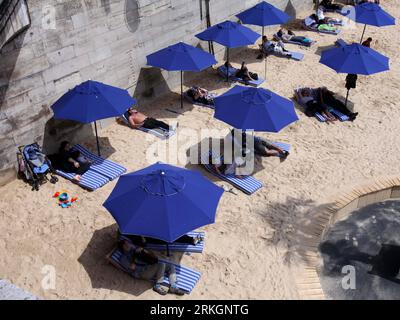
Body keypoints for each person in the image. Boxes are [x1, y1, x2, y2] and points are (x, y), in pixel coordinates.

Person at [118, 239, 185, 296]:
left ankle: (173, 286)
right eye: (126, 244)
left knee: (170, 266)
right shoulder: (123, 258)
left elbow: (151, 257)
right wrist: (135, 256)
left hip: (149, 267)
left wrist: (143, 250)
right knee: (161, 264)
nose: (128, 244)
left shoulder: (134, 249)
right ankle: (157, 285)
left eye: (128, 243)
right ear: (123, 247)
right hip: (141, 272)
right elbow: (132, 267)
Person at [123, 233, 204, 247]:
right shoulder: (133, 238)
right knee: (172, 237)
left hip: (154, 232)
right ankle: (191, 240)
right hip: (155, 239)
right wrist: (142, 236)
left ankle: (191, 239)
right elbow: (144, 244)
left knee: (173, 233)